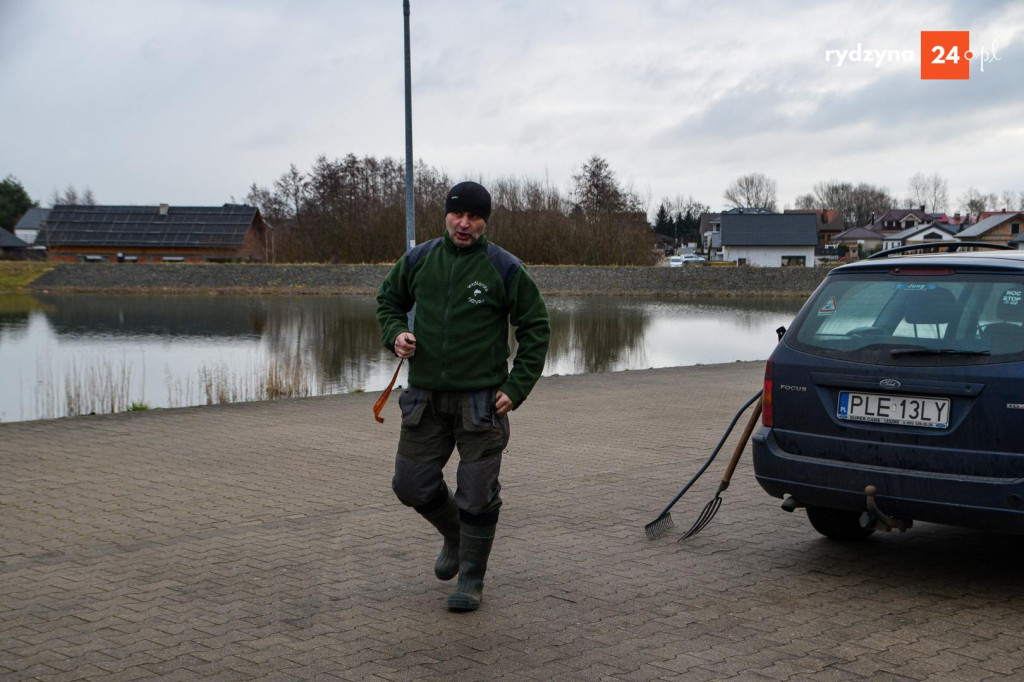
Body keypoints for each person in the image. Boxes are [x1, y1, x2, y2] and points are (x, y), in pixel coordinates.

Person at [376, 181, 550, 611]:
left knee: (476, 494)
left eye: (475, 217)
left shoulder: (504, 267)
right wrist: (396, 333)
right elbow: (388, 301)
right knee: (410, 485)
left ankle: (471, 578)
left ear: (485, 221)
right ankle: (455, 534)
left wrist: (517, 387)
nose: (465, 224)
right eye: (458, 215)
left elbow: (536, 329)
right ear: (446, 215)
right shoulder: (419, 259)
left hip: (482, 404)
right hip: (426, 401)